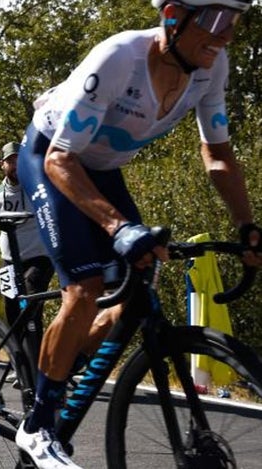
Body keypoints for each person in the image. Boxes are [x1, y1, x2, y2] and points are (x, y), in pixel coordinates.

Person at [13, 1, 262, 467]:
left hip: (103, 170)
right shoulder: (119, 58)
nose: (225, 35)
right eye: (214, 21)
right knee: (85, 287)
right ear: (173, 15)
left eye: (233, 22)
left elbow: (219, 154)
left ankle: (62, 370)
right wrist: (117, 226)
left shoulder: (212, 65)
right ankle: (38, 424)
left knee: (136, 288)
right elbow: (60, 161)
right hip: (52, 157)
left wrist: (248, 225)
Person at [0, 142, 54, 382]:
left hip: (38, 256)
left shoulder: (37, 185)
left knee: (30, 307)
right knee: (11, 310)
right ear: (3, 165)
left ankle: (36, 367)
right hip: (8, 259)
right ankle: (20, 365)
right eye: (11, 161)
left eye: (20, 160)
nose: (16, 165)